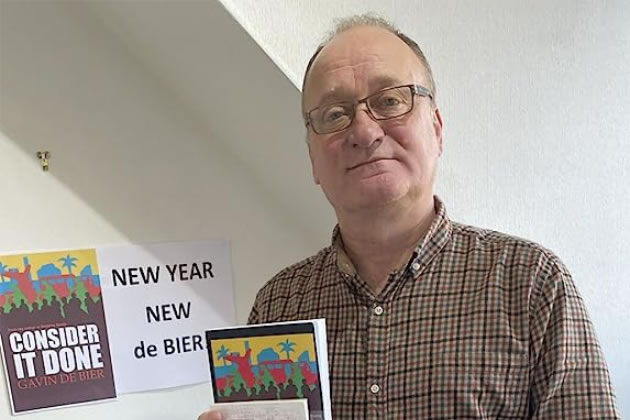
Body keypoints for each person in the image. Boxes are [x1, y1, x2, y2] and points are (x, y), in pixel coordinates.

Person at [199, 14, 619, 419]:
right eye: (333, 114)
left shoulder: (531, 286)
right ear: (312, 158)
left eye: (390, 100)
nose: (363, 131)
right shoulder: (277, 305)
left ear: (436, 129)